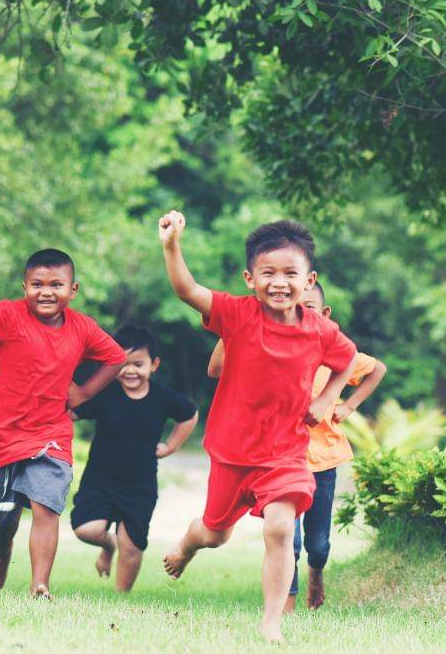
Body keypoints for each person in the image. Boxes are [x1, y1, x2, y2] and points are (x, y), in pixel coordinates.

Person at [157, 210, 357, 643]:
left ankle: (271, 623)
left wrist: (325, 400)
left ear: (309, 280)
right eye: (268, 273)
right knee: (214, 533)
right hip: (231, 452)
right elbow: (186, 290)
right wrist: (172, 245)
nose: (279, 282)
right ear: (251, 278)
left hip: (285, 453)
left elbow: (347, 358)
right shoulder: (238, 315)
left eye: (290, 273)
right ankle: (187, 546)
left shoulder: (320, 330)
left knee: (281, 526)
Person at [0, 249, 125, 598]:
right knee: (3, 516)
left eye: (56, 284)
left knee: (46, 506)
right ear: (24, 286)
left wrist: (84, 393)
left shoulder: (82, 327)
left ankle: (39, 583)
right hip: (3, 436)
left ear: (73, 290)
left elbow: (115, 358)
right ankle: (3, 552)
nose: (46, 292)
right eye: (37, 284)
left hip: (51, 434)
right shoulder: (9, 316)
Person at [207, 281, 387, 611]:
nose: (297, 315)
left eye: (309, 308)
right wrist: (232, 326)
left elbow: (377, 369)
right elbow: (215, 369)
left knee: (317, 545)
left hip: (323, 461)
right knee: (288, 540)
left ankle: (316, 573)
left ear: (326, 315)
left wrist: (347, 406)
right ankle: (284, 611)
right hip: (280, 462)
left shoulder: (334, 353)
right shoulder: (266, 347)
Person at [70, 325, 199, 592]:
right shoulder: (105, 394)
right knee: (86, 529)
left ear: (154, 364)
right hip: (99, 480)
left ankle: (122, 595)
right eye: (123, 364)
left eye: (138, 364)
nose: (130, 371)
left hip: (139, 486)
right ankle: (108, 546)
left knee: (131, 546)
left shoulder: (162, 398)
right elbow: (72, 411)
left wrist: (171, 446)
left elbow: (190, 414)